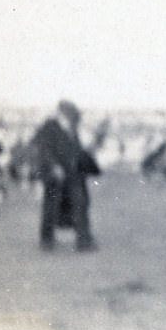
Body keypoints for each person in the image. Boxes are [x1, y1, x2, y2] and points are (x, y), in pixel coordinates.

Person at [31, 99, 102, 251]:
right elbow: (44, 149)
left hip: (72, 175)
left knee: (80, 204)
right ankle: (47, 241)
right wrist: (54, 166)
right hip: (53, 176)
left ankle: (84, 241)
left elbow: (77, 150)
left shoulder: (72, 129)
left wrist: (87, 163)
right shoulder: (49, 127)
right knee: (51, 208)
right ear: (62, 114)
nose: (71, 119)